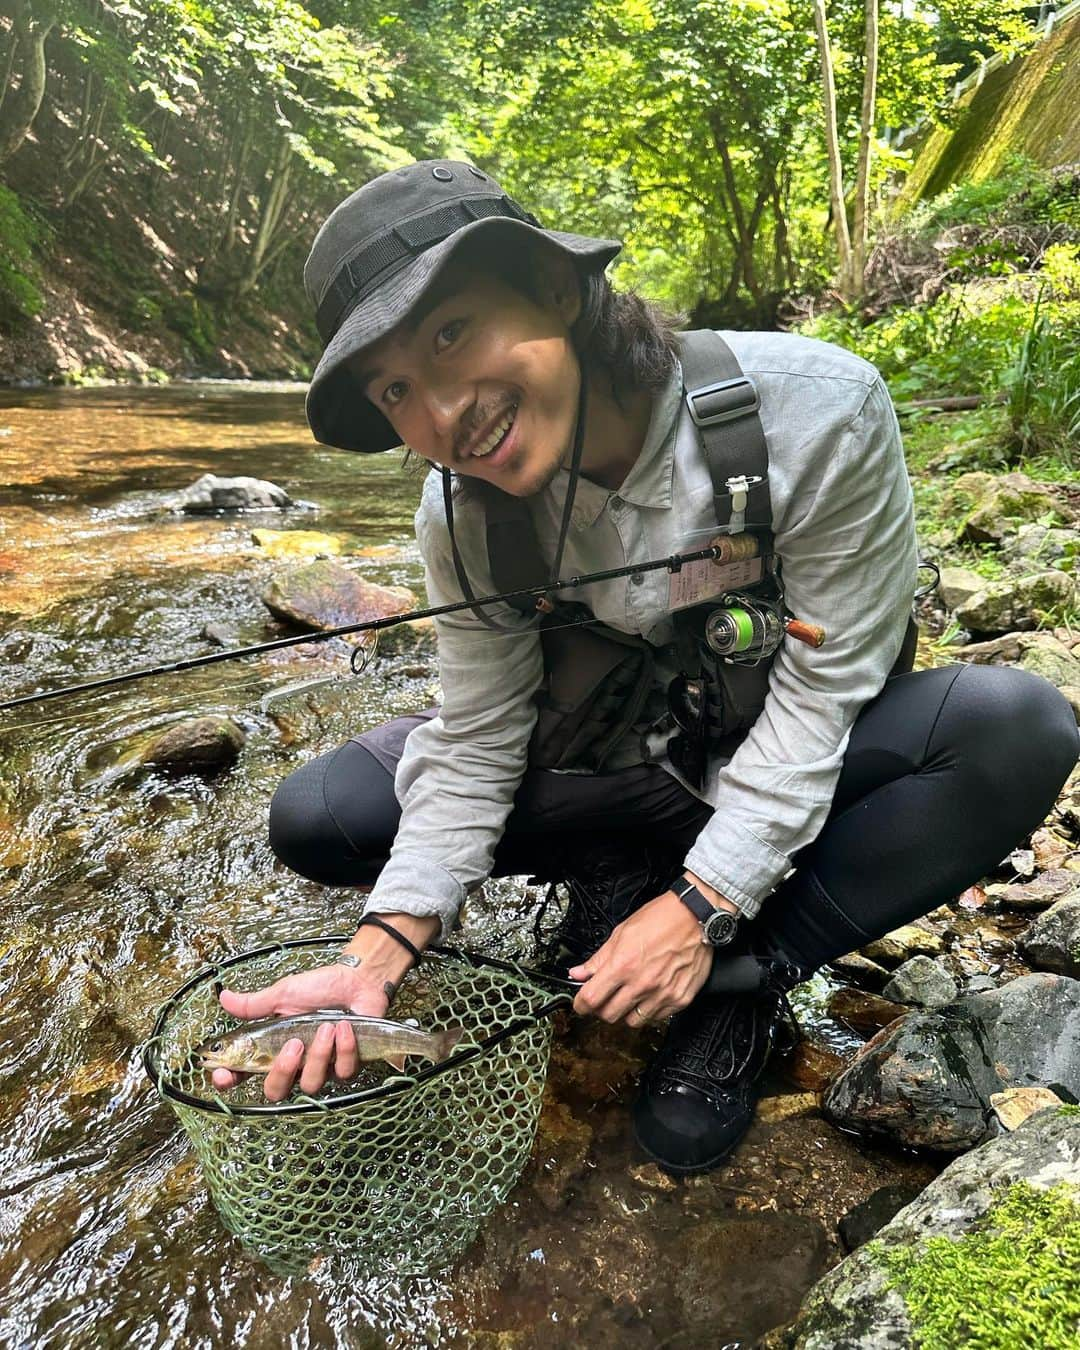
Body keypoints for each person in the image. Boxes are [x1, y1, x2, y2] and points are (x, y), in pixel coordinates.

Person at [211, 160, 1078, 1174]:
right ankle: (616, 871)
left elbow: (823, 696)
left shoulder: (817, 414)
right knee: (320, 811)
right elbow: (482, 733)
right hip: (627, 771)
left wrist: (703, 909)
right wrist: (379, 951)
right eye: (396, 388)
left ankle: (745, 982)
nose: (444, 412)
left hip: (786, 748)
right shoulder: (461, 513)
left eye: (451, 335)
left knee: (1015, 726)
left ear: (559, 291)